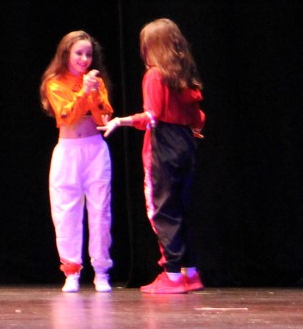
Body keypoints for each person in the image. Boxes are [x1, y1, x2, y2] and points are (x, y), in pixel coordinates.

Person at [100, 17, 205, 295]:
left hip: (164, 145)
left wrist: (120, 121)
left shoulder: (155, 75)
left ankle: (172, 275)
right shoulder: (183, 77)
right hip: (186, 142)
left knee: (162, 209)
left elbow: (151, 117)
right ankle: (189, 272)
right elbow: (198, 117)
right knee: (181, 208)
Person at [40, 31, 114, 292]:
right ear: (66, 54)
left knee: (100, 211)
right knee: (66, 211)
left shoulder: (96, 82)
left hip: (95, 150)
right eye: (79, 53)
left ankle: (101, 271)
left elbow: (104, 119)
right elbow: (66, 116)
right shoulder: (55, 83)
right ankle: (71, 271)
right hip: (69, 151)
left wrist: (94, 94)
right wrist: (84, 92)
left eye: (88, 54)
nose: (84, 59)